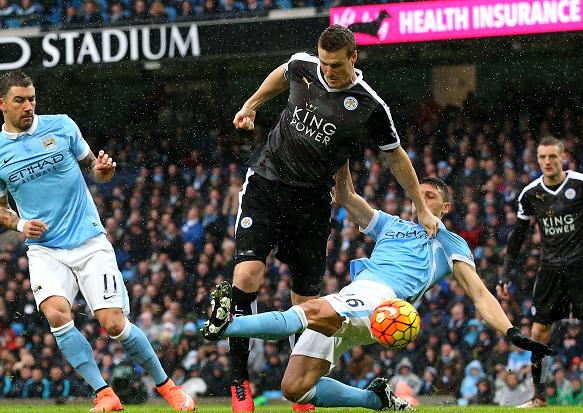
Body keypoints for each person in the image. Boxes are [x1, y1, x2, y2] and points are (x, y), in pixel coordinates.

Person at [202, 162, 552, 411]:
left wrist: (511, 332)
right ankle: (376, 400)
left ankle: (227, 326)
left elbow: (479, 293)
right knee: (295, 389)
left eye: (429, 196)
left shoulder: (450, 243)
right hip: (358, 297)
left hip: (384, 303)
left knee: (309, 310)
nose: (420, 198)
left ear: (445, 207)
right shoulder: (390, 224)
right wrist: (341, 154)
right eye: (418, 192)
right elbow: (346, 195)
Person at [227, 24, 438, 412]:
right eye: (324, 63)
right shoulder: (305, 67)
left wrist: (421, 207)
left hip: (312, 203)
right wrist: (252, 103)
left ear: (353, 58)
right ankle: (239, 382)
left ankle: (302, 393)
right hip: (268, 183)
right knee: (246, 277)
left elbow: (395, 157)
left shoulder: (371, 106)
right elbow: (284, 70)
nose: (328, 72)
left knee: (307, 301)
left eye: (336, 66)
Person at [0, 71, 196, 412]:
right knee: (56, 315)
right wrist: (18, 223)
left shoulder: (61, 125)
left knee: (113, 324)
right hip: (45, 249)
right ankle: (104, 394)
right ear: (1, 104)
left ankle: (167, 387)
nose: (28, 106)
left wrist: (102, 171)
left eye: (31, 98)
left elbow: (93, 166)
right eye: (19, 100)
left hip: (88, 239)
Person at [498, 136, 583, 408]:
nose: (548, 162)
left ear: (562, 157)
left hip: (582, 267)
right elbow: (518, 236)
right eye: (542, 157)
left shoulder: (581, 183)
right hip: (550, 270)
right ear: (537, 159)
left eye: (553, 156)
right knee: (539, 333)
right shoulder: (530, 193)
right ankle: (538, 397)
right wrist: (506, 271)